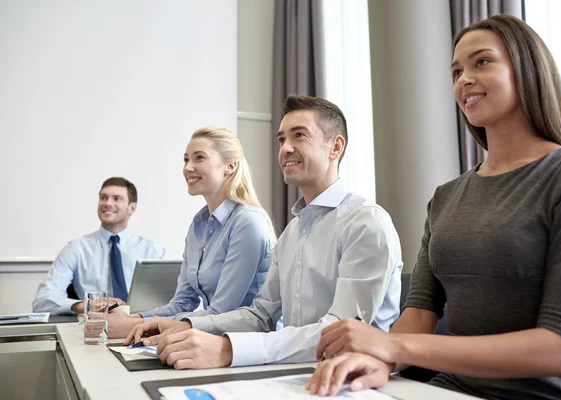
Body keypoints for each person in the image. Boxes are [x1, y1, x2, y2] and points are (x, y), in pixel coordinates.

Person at [308, 14, 561, 399]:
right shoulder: (446, 197)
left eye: (482, 62)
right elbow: (418, 317)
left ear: (527, 69)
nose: (464, 79)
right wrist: (376, 361)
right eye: (456, 71)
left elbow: (560, 349)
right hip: (449, 389)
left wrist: (393, 348)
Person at [122, 95, 403, 370]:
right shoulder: (293, 231)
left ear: (335, 147)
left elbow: (340, 334)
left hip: (356, 382)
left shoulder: (365, 222)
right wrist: (186, 324)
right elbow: (261, 315)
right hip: (295, 372)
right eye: (282, 139)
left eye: (299, 136)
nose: (285, 148)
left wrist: (228, 349)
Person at [107, 126, 275, 338]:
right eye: (186, 160)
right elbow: (182, 303)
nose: (188, 167)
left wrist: (141, 325)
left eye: (199, 158)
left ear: (230, 166)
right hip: (212, 338)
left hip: (248, 345)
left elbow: (222, 313)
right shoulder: (199, 225)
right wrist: (134, 319)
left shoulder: (247, 223)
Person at [32, 177, 167, 315]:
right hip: (94, 325)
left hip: (141, 325)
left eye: (116, 198)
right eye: (103, 198)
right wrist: (87, 305)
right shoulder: (76, 248)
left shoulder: (152, 251)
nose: (107, 203)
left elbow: (169, 300)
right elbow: (42, 300)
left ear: (131, 208)